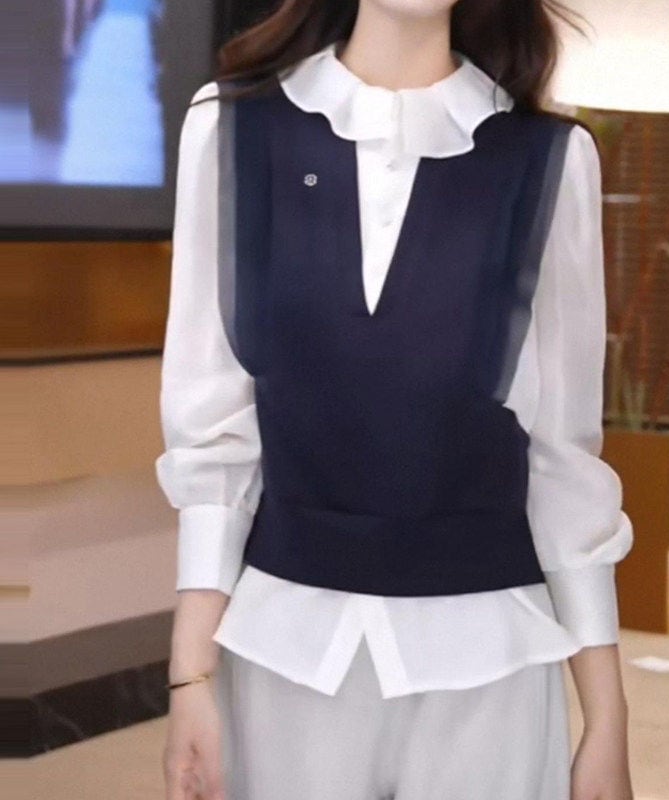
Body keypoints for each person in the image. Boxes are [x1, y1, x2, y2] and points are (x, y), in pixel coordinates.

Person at [155, 2, 636, 799]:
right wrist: (189, 677)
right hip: (283, 649)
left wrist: (608, 720)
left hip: (490, 655)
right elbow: (214, 435)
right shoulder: (232, 127)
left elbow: (564, 455)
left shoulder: (548, 156)